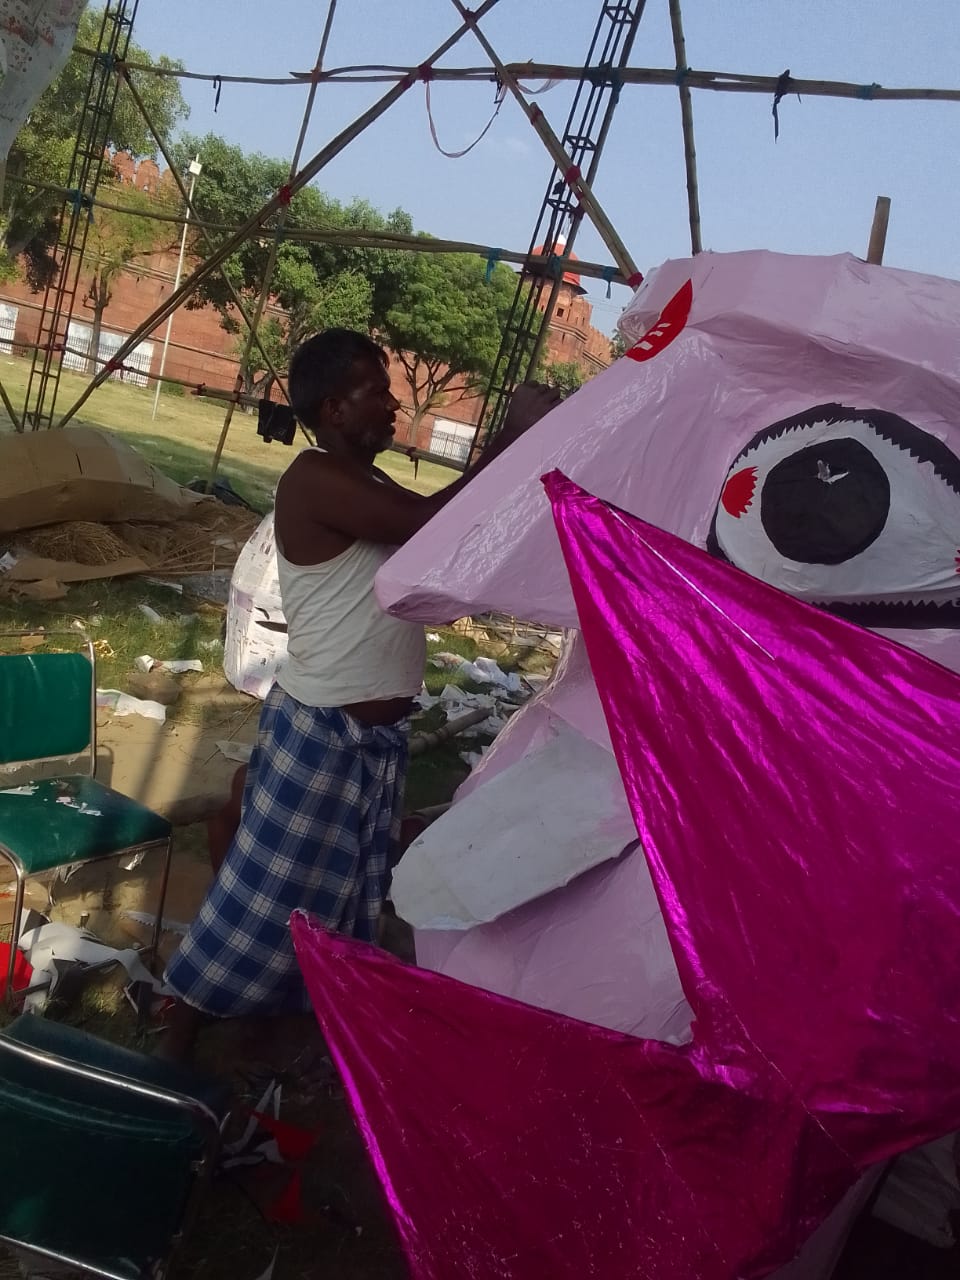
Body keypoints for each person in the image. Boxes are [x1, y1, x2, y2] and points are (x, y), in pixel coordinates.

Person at [159, 328, 561, 1062]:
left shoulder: (369, 481)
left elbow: (440, 536)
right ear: (334, 409)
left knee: (339, 895)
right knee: (262, 902)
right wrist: (508, 437)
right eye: (377, 391)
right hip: (321, 729)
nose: (394, 404)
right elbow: (429, 525)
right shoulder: (312, 478)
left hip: (368, 740)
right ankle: (178, 1032)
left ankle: (286, 1012)